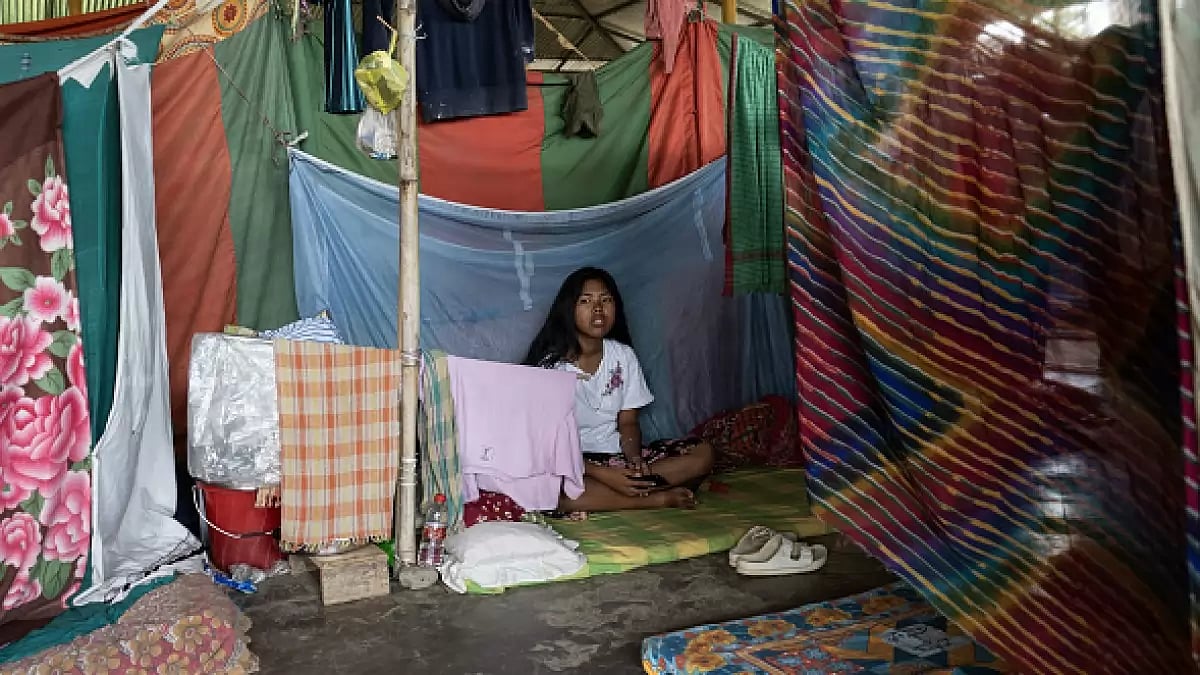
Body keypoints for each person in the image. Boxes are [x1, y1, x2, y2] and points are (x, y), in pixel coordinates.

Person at [522, 267, 714, 512]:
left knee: (703, 453)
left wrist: (635, 462)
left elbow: (628, 423)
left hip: (615, 456)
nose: (598, 309)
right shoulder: (548, 368)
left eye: (606, 300)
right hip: (573, 463)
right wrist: (604, 475)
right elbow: (544, 444)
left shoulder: (622, 355)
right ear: (568, 310)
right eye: (586, 301)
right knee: (552, 491)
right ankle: (656, 498)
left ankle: (628, 488)